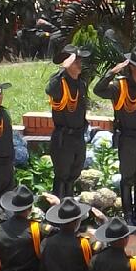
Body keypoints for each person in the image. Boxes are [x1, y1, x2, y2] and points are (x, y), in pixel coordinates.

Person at [95, 47, 136, 225]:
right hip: (127, 138)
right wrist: (111, 73)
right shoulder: (120, 86)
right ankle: (128, 215)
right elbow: (98, 90)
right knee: (127, 179)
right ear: (131, 67)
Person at [46, 46, 92, 195]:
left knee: (74, 174)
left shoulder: (80, 84)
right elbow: (49, 90)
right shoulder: (59, 82)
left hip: (78, 136)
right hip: (64, 138)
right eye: (75, 61)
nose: (79, 64)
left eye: (79, 61)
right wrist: (62, 69)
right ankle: (58, 205)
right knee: (62, 175)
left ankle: (69, 204)